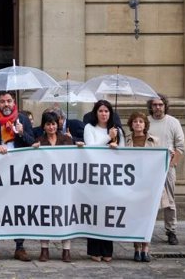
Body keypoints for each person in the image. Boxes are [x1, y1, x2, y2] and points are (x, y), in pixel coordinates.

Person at [0, 91, 36, 263]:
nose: (6, 104)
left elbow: (31, 142)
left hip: (18, 172)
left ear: (14, 103)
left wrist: (20, 133)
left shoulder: (23, 119)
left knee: (18, 208)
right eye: (3, 101)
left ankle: (19, 246)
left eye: (9, 101)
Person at [82, 99, 124, 262]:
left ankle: (107, 250)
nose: (104, 114)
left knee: (108, 213)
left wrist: (116, 146)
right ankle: (94, 250)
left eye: (106, 111)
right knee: (94, 212)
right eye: (100, 111)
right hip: (94, 176)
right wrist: (108, 137)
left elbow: (125, 153)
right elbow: (91, 148)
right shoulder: (89, 128)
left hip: (111, 177)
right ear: (95, 113)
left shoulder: (117, 130)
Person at [32, 111, 74, 262]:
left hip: (64, 184)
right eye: (48, 124)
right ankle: (44, 249)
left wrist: (79, 146)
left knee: (65, 215)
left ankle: (66, 250)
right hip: (46, 186)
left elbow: (74, 159)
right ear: (43, 126)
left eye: (53, 124)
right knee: (46, 215)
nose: (51, 127)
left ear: (58, 125)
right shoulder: (39, 141)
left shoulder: (66, 140)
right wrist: (33, 150)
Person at [147, 94, 185, 246]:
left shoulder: (173, 122)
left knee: (169, 200)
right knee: (148, 199)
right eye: (155, 105)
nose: (158, 107)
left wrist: (172, 164)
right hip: (149, 167)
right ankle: (146, 229)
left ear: (165, 106)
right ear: (151, 106)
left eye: (160, 105)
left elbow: (180, 146)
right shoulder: (145, 121)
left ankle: (171, 231)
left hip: (167, 167)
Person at [124, 111, 161, 262]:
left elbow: (160, 160)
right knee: (134, 216)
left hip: (149, 184)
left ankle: (146, 248)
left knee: (148, 216)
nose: (138, 124)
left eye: (141, 121)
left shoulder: (155, 140)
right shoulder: (126, 140)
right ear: (131, 124)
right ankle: (136, 248)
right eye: (135, 121)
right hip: (132, 183)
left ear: (145, 124)